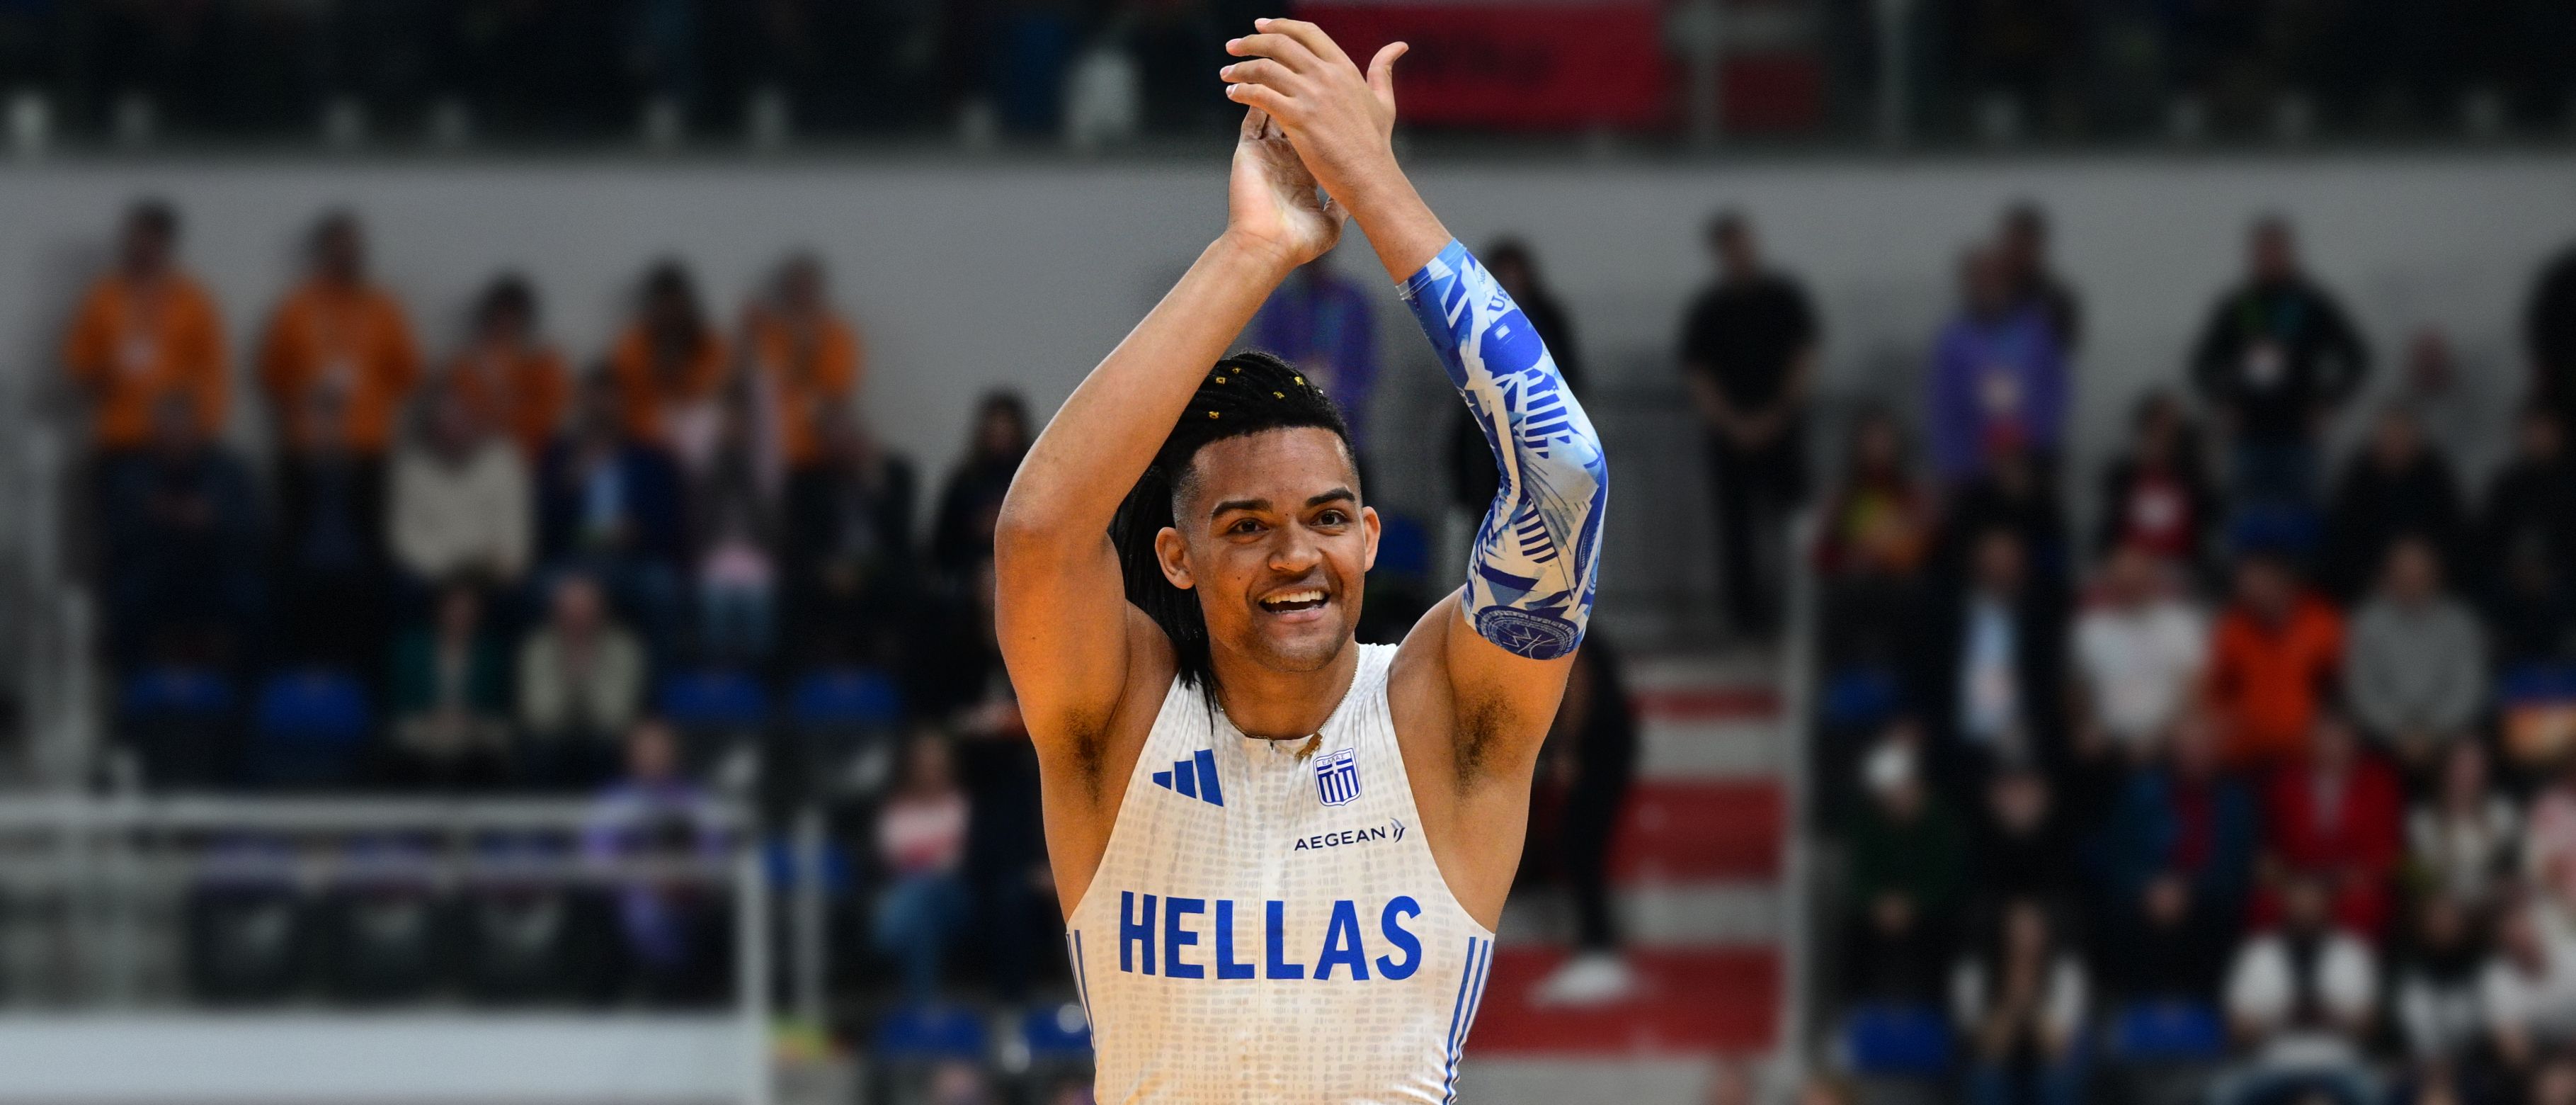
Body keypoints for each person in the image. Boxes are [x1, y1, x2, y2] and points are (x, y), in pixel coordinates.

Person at [991, 22, 1610, 1096]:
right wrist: (1256, 250)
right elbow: (1040, 533)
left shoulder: (1440, 715)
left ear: (1368, 535)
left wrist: (1371, 181)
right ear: (1175, 557)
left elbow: (1562, 475)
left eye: (1326, 518)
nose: (1295, 556)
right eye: (1245, 527)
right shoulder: (1115, 714)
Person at [1677, 211, 1817, 637]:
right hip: (1730, 437)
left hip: (1782, 431)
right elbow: (1699, 375)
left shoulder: (1784, 298)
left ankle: (1800, 610)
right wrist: (1733, 424)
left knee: (1794, 526)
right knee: (1736, 532)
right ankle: (1745, 621)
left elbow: (1803, 358)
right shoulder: (1710, 310)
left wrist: (1778, 415)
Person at [2189, 215, 2371, 513]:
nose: (2270, 258)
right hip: (2248, 439)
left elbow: (2358, 357)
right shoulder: (2237, 305)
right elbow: (2200, 363)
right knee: (2250, 523)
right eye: (2263, 251)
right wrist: (2222, 403)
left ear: (2290, 253)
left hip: (2299, 439)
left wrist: (2329, 403)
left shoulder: (2312, 303)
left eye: (2277, 250)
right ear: (2252, 256)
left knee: (2301, 525)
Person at [2092, 710, 2256, 1010]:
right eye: (2187, 748)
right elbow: (2117, 855)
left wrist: (2189, 891)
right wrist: (2148, 888)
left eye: (2202, 747)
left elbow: (2235, 865)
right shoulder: (2140, 791)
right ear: (2172, 750)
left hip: (2208, 899)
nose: (2195, 756)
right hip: (2146, 897)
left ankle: (2206, 1014)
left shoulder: (2235, 801)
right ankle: (2132, 1013)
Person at [99, 394, 265, 667]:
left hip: (215, 570)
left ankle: (246, 688)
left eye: (181, 427)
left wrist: (212, 521)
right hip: (156, 571)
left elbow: (251, 530)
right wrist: (156, 518)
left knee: (252, 600)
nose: (174, 437)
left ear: (196, 429)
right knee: (125, 599)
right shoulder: (133, 474)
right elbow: (117, 535)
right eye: (166, 428)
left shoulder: (228, 472)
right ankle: (133, 684)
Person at [1522, 632, 1641, 1007]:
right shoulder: (1572, 630)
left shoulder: (1565, 633)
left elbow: (1580, 681)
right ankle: (1597, 947)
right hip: (1605, 744)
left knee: (1581, 849)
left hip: (1597, 750)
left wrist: (1568, 748)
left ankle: (1598, 950)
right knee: (1578, 849)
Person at [63, 199, 228, 460]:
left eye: (151, 238)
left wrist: (203, 427)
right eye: (136, 238)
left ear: (165, 243)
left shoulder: (193, 301)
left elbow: (213, 371)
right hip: (120, 432)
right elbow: (78, 361)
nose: (142, 246)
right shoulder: (103, 297)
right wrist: (99, 377)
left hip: (182, 439)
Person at [535, 374, 687, 654]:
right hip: (575, 559)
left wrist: (637, 531)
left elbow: (668, 525)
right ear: (582, 404)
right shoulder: (560, 455)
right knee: (541, 588)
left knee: (661, 587)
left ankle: (658, 680)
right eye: (596, 400)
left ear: (623, 406)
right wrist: (568, 483)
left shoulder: (650, 458)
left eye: (610, 400)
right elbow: (542, 526)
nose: (603, 408)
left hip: (632, 560)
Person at [583, 718, 731, 1004]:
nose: (653, 756)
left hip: (686, 907)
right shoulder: (611, 803)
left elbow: (716, 858)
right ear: (630, 755)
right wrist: (647, 876)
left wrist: (682, 878)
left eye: (660, 748)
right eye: (645, 749)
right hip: (624, 907)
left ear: (675, 753)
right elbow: (594, 863)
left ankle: (696, 1001)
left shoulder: (697, 802)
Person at [258, 210, 422, 461]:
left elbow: (409, 374)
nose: (346, 255)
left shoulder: (385, 310)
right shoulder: (296, 309)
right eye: (338, 247)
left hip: (368, 442)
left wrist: (371, 399)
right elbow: (272, 376)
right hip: (306, 442)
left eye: (353, 247)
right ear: (322, 252)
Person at [2214, 868, 2382, 1105]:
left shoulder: (2352, 952)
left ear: (2327, 904)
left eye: (2313, 899)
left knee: (2375, 1094)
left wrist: (2328, 1014)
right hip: (2271, 1062)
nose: (2305, 907)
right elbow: (2236, 1028)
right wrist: (2280, 1016)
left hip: (2338, 1062)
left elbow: (2369, 1025)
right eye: (2299, 898)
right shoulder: (2258, 953)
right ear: (2286, 902)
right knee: (2221, 1094)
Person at [782, 404, 918, 665]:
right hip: (830, 566)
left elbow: (900, 535)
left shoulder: (895, 474)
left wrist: (876, 487)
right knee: (795, 588)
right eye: (833, 437)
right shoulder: (807, 482)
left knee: (910, 587)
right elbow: (802, 539)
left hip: (880, 566)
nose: (842, 444)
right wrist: (827, 569)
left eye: (848, 434)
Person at [1924, 246, 2069, 486]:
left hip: (2032, 466)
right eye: (1980, 278)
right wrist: (1957, 465)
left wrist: (2028, 450)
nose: (1988, 285)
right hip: (1971, 473)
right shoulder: (1953, 341)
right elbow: (1945, 409)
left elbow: (2053, 394)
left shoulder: (2035, 331)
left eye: (1994, 277)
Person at [2255, 708, 2404, 939]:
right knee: (2265, 904)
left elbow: (2385, 850)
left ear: (2354, 741)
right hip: (2298, 879)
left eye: (2339, 737)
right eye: (2324, 737)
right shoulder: (2287, 781)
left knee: (2363, 907)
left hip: (2352, 882)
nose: (2331, 746)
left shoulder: (2378, 782)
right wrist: (2294, 887)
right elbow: (2272, 847)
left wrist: (2335, 889)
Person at [2344, 537, 2487, 774]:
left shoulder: (2460, 623)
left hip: (2448, 738)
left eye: (2419, 575)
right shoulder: (2367, 622)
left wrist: (2431, 731)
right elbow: (2361, 689)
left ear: (2435, 575)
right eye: (2403, 574)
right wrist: (2399, 731)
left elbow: (2468, 690)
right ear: (2388, 575)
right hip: (2380, 739)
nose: (2411, 583)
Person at [1842, 735, 1967, 1005]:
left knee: (1943, 932)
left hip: (1929, 910)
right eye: (1889, 795)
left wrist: (1912, 904)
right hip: (1881, 911)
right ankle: (1859, 1007)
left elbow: (1946, 877)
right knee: (1855, 931)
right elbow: (1860, 875)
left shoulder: (1941, 821)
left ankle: (1936, 1007)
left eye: (1903, 790)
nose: (1898, 799)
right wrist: (1879, 903)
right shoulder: (1868, 823)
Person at [387, 380, 532, 594]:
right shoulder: (412, 469)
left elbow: (514, 533)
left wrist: (495, 566)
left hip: (491, 573)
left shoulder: (503, 460)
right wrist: (452, 572)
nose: (455, 425)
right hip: (432, 575)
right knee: (404, 585)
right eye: (446, 419)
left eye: (461, 416)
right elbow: (404, 539)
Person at [2206, 550, 2345, 768]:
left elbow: (2338, 693)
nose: (2251, 587)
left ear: (2283, 578)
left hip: (2306, 756)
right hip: (2246, 756)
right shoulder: (2231, 630)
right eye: (2246, 580)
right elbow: (2218, 692)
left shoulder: (2322, 624)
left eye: (2261, 578)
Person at [2073, 541, 2209, 760]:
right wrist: (2089, 725)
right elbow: (2079, 695)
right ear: (2110, 582)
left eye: (2137, 580)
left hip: (2167, 739)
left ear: (2152, 579)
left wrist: (2161, 735)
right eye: (2123, 582)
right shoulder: (2090, 629)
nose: (2131, 588)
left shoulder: (2180, 624)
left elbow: (2194, 693)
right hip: (2108, 743)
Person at [2318, 404, 2468, 602]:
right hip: (2370, 583)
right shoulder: (2359, 479)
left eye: (2403, 437)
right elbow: (2346, 538)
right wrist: (2379, 576)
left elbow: (2453, 535)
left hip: (2431, 580)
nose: (2396, 444)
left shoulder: (2436, 477)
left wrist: (2426, 571)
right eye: (2390, 437)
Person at [1951, 897, 2087, 1105]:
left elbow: (2056, 1047)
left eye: (2033, 930)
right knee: (1984, 1077)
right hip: (1996, 1058)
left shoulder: (2065, 970)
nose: (2023, 940)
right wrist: (2011, 998)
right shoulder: (1974, 971)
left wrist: (2030, 999)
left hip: (2047, 1058)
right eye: (2015, 930)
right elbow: (1988, 1049)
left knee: (2058, 1076)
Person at [517, 572, 648, 790]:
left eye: (586, 610)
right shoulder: (537, 647)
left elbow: (616, 716)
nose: (578, 617)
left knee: (606, 745)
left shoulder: (624, 647)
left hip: (604, 738)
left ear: (601, 611)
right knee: (539, 746)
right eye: (570, 610)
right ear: (557, 612)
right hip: (551, 737)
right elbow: (540, 714)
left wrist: (584, 674)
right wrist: (570, 671)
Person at [872, 734, 972, 1007]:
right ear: (912, 768)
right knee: (921, 921)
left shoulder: (959, 805)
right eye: (924, 765)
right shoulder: (896, 808)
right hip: (912, 897)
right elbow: (892, 858)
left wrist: (918, 860)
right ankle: (924, 1004)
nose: (931, 772)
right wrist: (929, 858)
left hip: (953, 897)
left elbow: (953, 863)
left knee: (920, 895)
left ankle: (889, 931)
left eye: (937, 765)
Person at [740, 253, 863, 472]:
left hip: (821, 427)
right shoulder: (767, 331)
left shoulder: (837, 334)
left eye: (807, 289)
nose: (801, 296)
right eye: (795, 288)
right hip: (771, 424)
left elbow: (836, 392)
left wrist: (806, 348)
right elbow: (759, 379)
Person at [384, 580, 513, 789]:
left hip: (473, 723)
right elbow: (401, 696)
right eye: (454, 609)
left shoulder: (490, 651)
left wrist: (469, 717)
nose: (460, 616)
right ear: (440, 610)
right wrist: (432, 715)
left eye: (467, 610)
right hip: (425, 721)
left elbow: (497, 699)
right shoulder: (413, 646)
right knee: (404, 733)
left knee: (499, 736)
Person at [1250, 250, 1379, 450]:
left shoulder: (1351, 302)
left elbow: (1365, 366)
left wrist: (1336, 400)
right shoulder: (1281, 304)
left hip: (1344, 426)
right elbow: (1264, 363)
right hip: (1288, 425)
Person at [609, 261, 729, 467]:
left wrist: (681, 376)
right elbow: (626, 401)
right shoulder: (632, 346)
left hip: (699, 442)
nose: (670, 314)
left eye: (675, 305)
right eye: (663, 306)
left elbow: (712, 390)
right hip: (644, 444)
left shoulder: (709, 344)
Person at [2092, 392, 2222, 579]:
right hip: (2129, 568)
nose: (2163, 436)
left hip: (2180, 569)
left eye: (2171, 429)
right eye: (2157, 428)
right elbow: (2109, 529)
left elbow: (2208, 523)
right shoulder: (2122, 476)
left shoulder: (2193, 479)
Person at [445, 275, 571, 462]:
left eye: (512, 316)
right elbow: (458, 413)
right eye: (500, 316)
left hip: (528, 455)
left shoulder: (544, 362)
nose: (505, 323)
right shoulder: (467, 363)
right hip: (473, 456)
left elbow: (548, 416)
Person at [930, 390, 1031, 582]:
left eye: (1006, 428)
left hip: (1023, 568)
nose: (1000, 436)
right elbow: (942, 544)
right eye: (995, 428)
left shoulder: (1032, 480)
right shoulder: (965, 480)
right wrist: (977, 527)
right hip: (970, 569)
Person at [2408, 741, 2519, 910]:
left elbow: (2514, 871)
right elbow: (2425, 882)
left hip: (2495, 904)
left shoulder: (2502, 813)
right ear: (2445, 769)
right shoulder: (2424, 821)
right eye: (2460, 766)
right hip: (2447, 906)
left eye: (2474, 767)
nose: (2467, 775)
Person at [1995, 201, 2080, 355]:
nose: (2019, 252)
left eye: (2026, 244)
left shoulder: (2058, 301)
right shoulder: (1987, 295)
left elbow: (2063, 350)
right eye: (2015, 243)